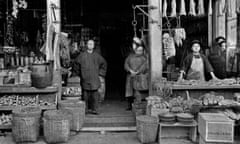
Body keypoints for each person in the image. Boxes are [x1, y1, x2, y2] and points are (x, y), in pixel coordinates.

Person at [73, 39, 107, 115]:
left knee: (95, 96)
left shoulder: (97, 56)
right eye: (89, 44)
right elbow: (76, 64)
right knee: (85, 96)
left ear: (94, 46)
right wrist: (78, 74)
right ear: (86, 45)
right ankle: (85, 110)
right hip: (85, 79)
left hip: (94, 78)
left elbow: (104, 64)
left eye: (92, 44)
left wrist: (100, 74)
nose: (90, 45)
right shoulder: (82, 55)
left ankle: (95, 110)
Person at [124, 37, 148, 110]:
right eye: (138, 50)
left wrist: (138, 72)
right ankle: (129, 106)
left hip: (139, 77)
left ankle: (137, 105)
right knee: (129, 91)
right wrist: (130, 70)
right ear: (135, 50)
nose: (139, 52)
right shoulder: (130, 57)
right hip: (130, 76)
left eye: (141, 50)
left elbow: (145, 66)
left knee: (137, 91)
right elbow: (126, 64)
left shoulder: (144, 58)